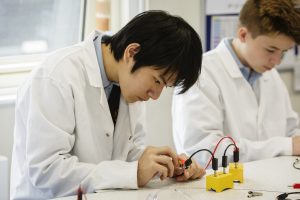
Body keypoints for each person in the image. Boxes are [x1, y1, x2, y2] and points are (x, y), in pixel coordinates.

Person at [10, 10, 205, 200]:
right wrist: (133, 172)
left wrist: (164, 166)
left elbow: (125, 155)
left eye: (165, 86)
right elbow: (46, 171)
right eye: (157, 81)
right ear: (132, 52)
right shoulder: (56, 76)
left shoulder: (128, 83)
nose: (155, 95)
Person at [172, 0, 300, 167]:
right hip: (218, 189)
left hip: (271, 185)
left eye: (283, 52)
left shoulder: (271, 76)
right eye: (270, 50)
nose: (276, 61)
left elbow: (292, 130)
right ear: (243, 35)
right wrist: (284, 146)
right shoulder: (201, 74)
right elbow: (203, 153)